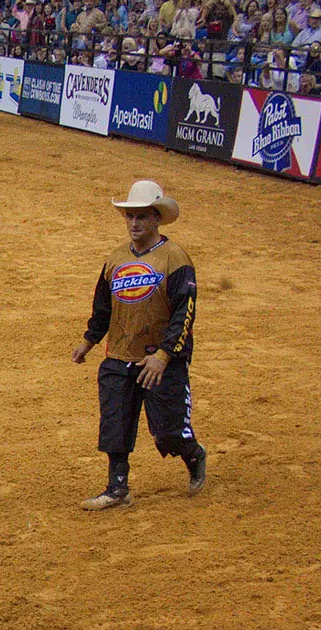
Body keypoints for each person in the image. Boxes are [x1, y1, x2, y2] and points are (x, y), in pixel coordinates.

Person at [70, 180, 208, 510]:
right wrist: (89, 340)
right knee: (115, 423)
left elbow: (184, 313)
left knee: (168, 432)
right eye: (130, 217)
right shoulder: (115, 258)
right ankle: (117, 488)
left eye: (142, 217)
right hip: (119, 355)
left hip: (161, 361)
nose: (134, 224)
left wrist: (164, 355)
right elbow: (103, 305)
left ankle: (193, 454)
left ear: (157, 219)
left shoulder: (175, 259)